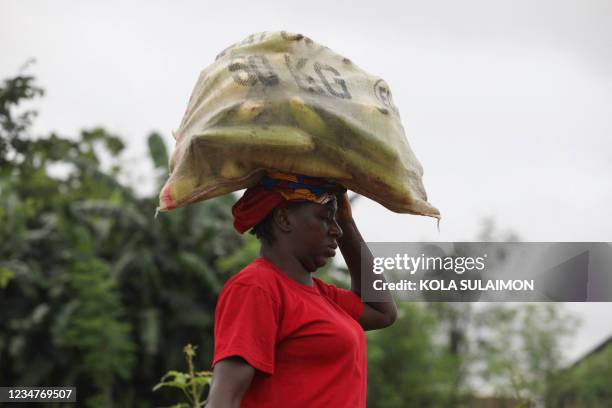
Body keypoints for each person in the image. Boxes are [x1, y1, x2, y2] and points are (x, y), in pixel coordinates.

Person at [205, 172, 397, 408]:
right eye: (325, 218)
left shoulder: (322, 295)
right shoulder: (257, 287)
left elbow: (382, 312)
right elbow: (224, 399)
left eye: (336, 220)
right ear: (284, 219)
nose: (336, 230)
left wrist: (346, 220)